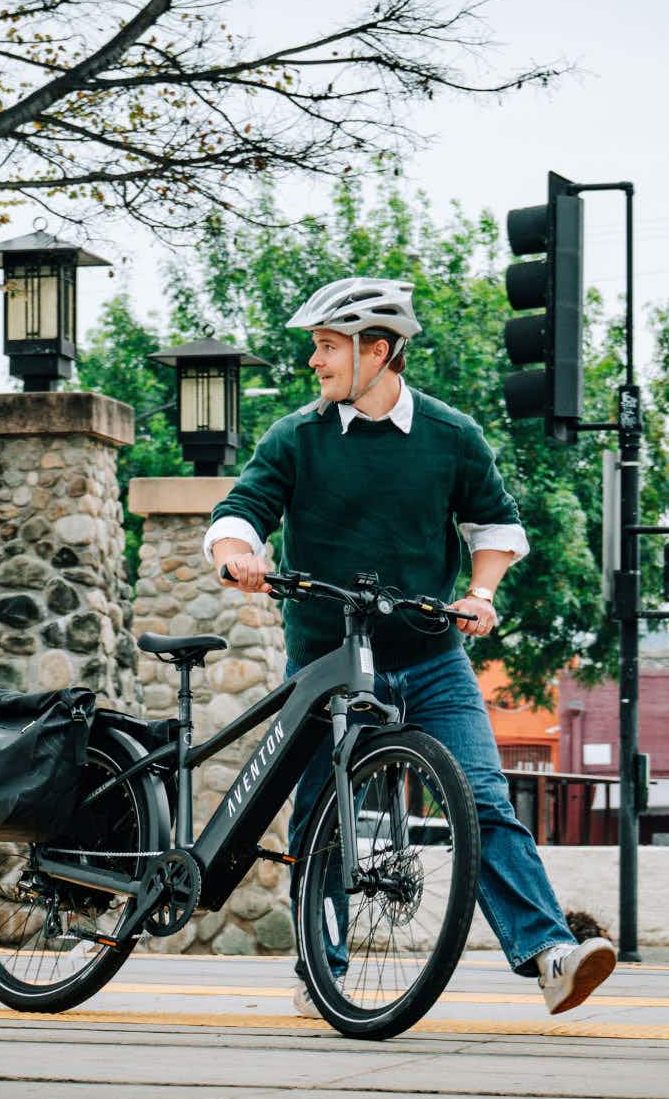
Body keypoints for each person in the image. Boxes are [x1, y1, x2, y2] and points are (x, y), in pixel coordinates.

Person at [204, 275, 616, 1016]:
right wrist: (240, 553)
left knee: (483, 798)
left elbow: (497, 528)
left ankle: (551, 953)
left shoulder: (451, 436)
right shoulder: (296, 436)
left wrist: (480, 595)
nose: (315, 363)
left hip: (429, 657)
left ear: (380, 351)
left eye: (328, 348)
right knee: (320, 812)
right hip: (328, 662)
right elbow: (243, 509)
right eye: (317, 349)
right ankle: (322, 967)